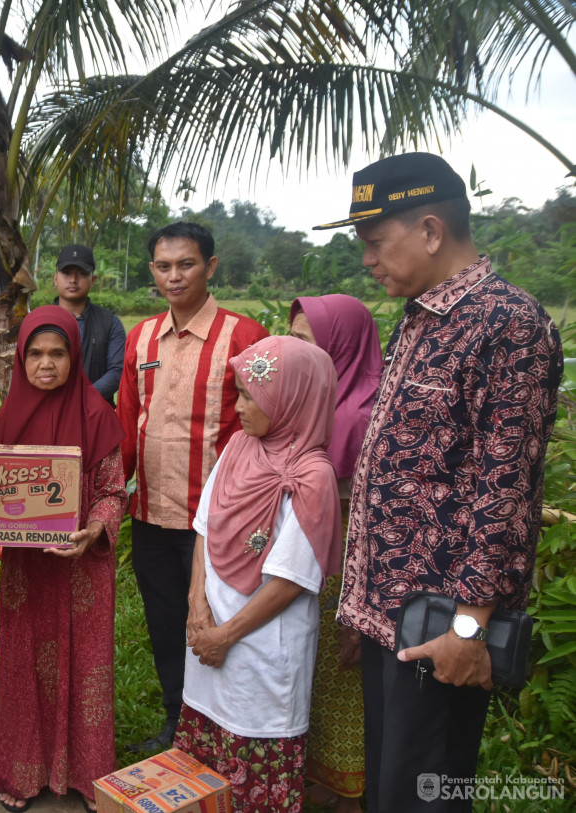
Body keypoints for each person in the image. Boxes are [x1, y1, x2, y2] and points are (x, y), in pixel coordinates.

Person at [314, 152, 564, 813]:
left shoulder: (507, 324)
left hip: (442, 628)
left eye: (374, 242)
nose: (367, 259)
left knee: (421, 794)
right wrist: (358, 608)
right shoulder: (419, 318)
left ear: (429, 230)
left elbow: (504, 489)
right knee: (389, 790)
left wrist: (471, 627)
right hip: (387, 618)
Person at [116, 221, 269, 751]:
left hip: (218, 521)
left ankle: (223, 731)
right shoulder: (141, 337)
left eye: (186, 264)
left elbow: (264, 427)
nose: (174, 276)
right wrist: (112, 495)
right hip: (152, 515)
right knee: (165, 624)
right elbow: (128, 421)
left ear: (211, 266)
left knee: (219, 626)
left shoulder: (246, 337)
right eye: (163, 266)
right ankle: (175, 723)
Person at [177, 335, 342, 812]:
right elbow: (204, 528)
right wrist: (196, 605)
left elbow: (290, 583)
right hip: (208, 637)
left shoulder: (313, 478)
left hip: (262, 653)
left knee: (251, 771)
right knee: (204, 776)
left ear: (290, 400)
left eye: (250, 395)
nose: (240, 405)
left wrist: (225, 636)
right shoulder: (237, 446)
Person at [0, 306, 127, 813]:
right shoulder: (8, 418)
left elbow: (113, 491)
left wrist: (94, 529)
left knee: (86, 667)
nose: (46, 364)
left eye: (58, 353)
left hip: (82, 567)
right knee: (24, 666)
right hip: (28, 570)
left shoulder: (97, 414)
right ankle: (22, 772)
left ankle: (88, 776)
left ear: (74, 355)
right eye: (36, 354)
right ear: (21, 358)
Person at [288, 295, 382, 812]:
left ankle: (350, 791)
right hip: (311, 561)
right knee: (313, 674)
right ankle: (319, 775)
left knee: (345, 678)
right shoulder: (312, 402)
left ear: (339, 347)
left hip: (348, 569)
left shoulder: (364, 416)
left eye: (307, 344)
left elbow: (367, 519)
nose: (296, 354)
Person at [52, 244, 125, 404]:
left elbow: (117, 371)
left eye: (82, 273)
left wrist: (83, 397)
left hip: (97, 415)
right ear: (55, 278)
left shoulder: (110, 322)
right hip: (50, 411)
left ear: (93, 280)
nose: (73, 280)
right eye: (66, 273)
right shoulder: (40, 321)